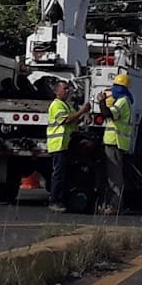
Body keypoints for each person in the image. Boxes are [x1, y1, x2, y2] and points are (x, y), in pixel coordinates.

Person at [46, 80, 90, 213]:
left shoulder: (66, 105)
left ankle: (62, 199)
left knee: (64, 174)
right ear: (57, 91)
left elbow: (74, 118)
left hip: (66, 144)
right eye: (64, 88)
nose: (67, 91)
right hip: (58, 144)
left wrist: (82, 116)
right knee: (58, 175)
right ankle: (54, 201)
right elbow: (66, 120)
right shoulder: (56, 105)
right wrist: (82, 110)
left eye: (68, 89)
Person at [97, 74, 134, 215]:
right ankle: (112, 204)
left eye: (116, 87)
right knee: (112, 176)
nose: (114, 90)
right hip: (116, 142)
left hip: (115, 142)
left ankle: (115, 205)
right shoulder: (124, 100)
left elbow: (109, 114)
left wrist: (102, 101)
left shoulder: (122, 101)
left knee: (114, 177)